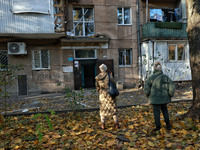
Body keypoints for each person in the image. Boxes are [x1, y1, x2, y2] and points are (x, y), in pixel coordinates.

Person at [144, 62, 175, 132]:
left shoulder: (150, 77)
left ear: (154, 69)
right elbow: (171, 86)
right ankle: (168, 125)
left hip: (155, 99)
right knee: (165, 110)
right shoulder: (166, 77)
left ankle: (158, 127)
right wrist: (170, 94)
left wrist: (148, 96)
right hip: (164, 98)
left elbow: (146, 89)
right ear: (161, 69)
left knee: (156, 112)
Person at [95, 64, 119, 129]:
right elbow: (114, 84)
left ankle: (103, 125)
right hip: (110, 95)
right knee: (113, 110)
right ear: (106, 69)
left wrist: (101, 92)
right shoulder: (109, 76)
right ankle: (116, 124)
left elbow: (97, 87)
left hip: (102, 96)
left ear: (100, 69)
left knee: (102, 110)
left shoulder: (97, 77)